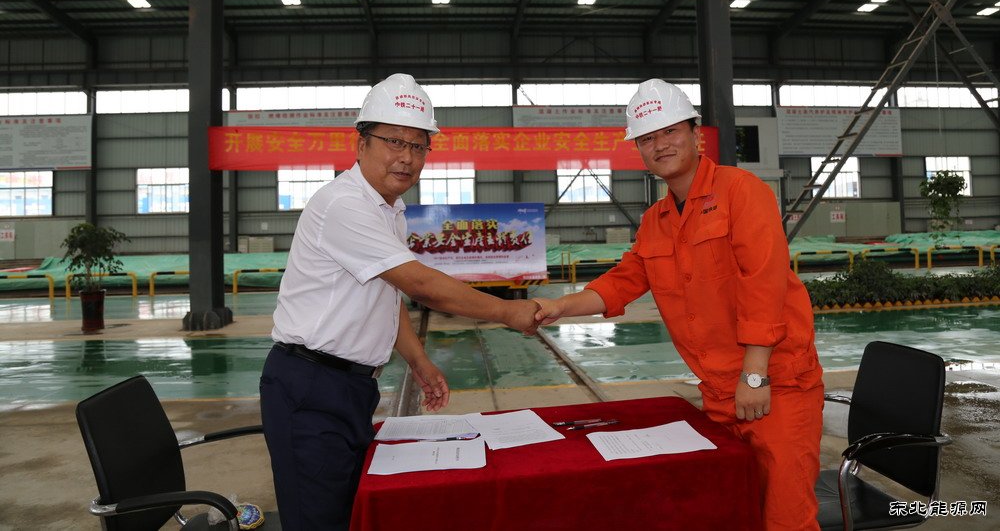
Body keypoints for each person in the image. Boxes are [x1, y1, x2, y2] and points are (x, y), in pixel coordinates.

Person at [533, 79, 824, 531]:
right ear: (638, 150)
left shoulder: (742, 192)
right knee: (732, 510)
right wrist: (559, 307)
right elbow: (624, 281)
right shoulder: (657, 220)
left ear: (695, 134)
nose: (660, 145)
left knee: (785, 518)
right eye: (647, 138)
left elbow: (764, 285)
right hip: (717, 392)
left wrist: (754, 374)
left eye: (670, 131)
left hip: (775, 385)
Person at [260, 73, 540, 531]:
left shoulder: (389, 211)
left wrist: (419, 361)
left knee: (350, 513)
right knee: (319, 520)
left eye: (418, 146)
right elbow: (419, 284)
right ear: (361, 144)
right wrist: (509, 311)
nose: (406, 157)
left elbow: (387, 296)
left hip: (350, 387)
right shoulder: (344, 204)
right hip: (310, 385)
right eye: (394, 141)